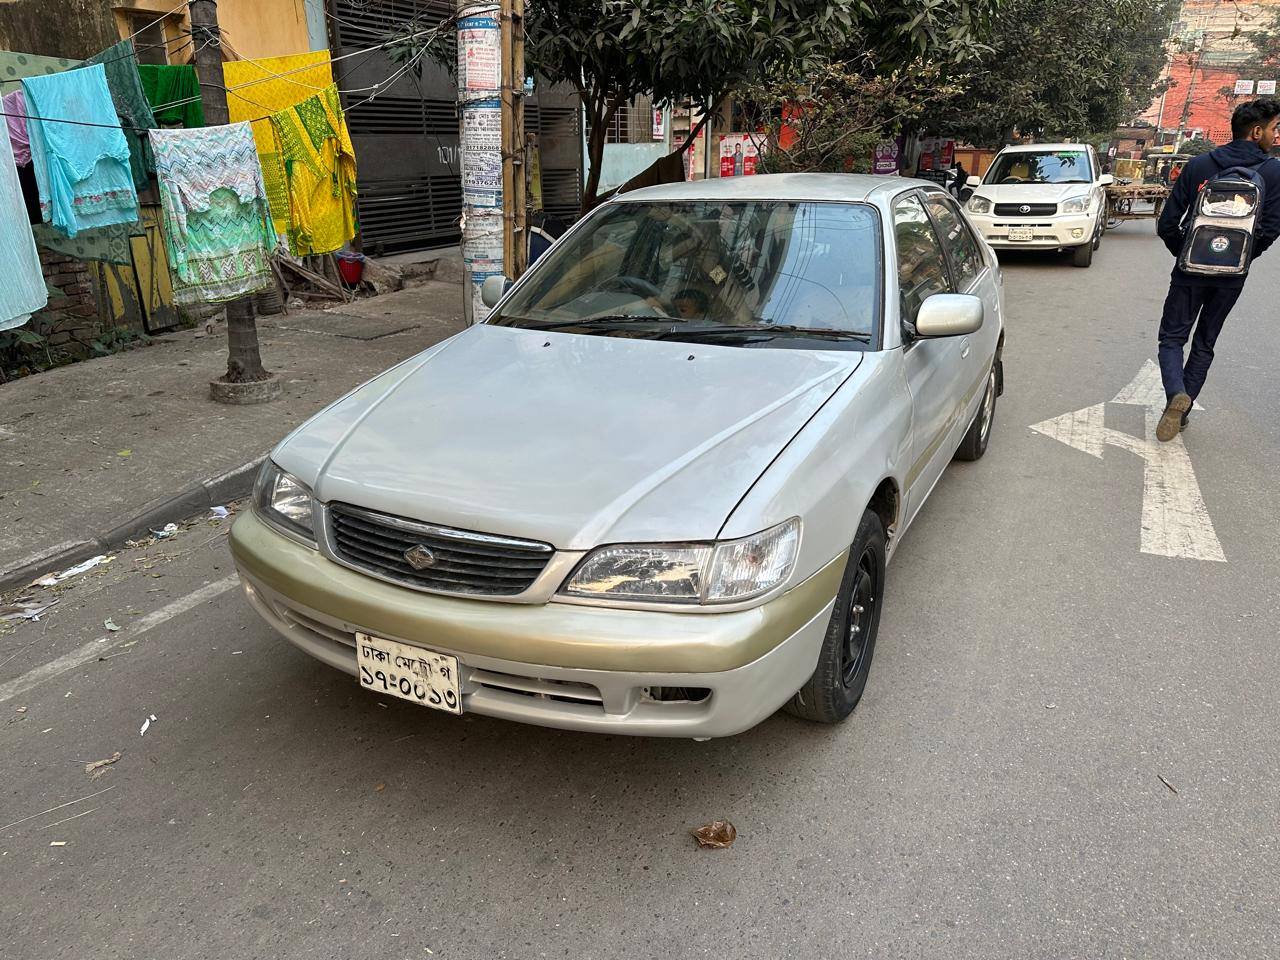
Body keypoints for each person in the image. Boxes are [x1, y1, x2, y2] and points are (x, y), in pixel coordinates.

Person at [1153, 98, 1280, 441]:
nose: (1276, 136)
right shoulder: (1274, 172)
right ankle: (1181, 411)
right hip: (1231, 277)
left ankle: (1175, 393)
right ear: (1256, 132)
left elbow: (1167, 224)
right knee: (1205, 342)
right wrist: (1239, 260)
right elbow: (1270, 230)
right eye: (1274, 129)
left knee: (1172, 338)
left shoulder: (1198, 165)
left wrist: (1186, 255)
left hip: (1189, 272)